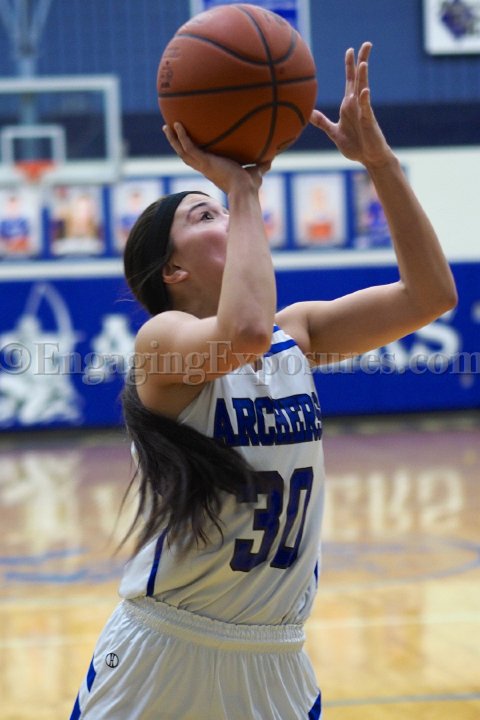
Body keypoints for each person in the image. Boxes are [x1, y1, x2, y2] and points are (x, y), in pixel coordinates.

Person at [70, 43, 457, 720]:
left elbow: (430, 296)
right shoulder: (162, 344)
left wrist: (380, 165)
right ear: (173, 272)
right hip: (168, 655)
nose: (226, 214)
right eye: (205, 214)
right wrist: (242, 187)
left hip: (276, 657)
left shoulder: (294, 334)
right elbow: (242, 332)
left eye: (223, 208)